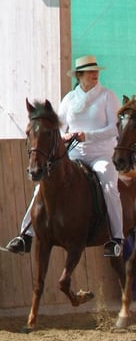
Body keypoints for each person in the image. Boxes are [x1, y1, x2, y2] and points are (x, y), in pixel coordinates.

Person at [3, 55, 124, 257]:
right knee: (42, 185)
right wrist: (65, 136)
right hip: (74, 153)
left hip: (101, 154)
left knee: (109, 186)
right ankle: (26, 235)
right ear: (79, 75)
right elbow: (58, 129)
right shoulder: (69, 99)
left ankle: (116, 238)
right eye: (89, 72)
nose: (95, 74)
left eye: (96, 71)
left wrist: (87, 135)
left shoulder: (107, 96)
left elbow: (115, 129)